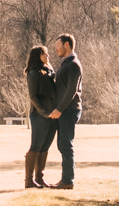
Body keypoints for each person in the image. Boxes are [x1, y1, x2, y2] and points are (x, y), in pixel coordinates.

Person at [47, 33, 83, 190]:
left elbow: (71, 91)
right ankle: (66, 179)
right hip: (64, 110)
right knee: (62, 145)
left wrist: (59, 110)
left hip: (68, 110)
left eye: (58, 45)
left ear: (67, 45)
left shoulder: (74, 64)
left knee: (66, 145)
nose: (55, 49)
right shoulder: (65, 64)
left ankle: (68, 181)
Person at [23, 45, 57, 188]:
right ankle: (29, 181)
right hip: (40, 116)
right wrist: (45, 113)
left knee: (45, 147)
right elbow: (33, 97)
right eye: (45, 54)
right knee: (36, 146)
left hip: (53, 115)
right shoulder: (33, 74)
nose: (48, 56)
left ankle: (39, 178)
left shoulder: (49, 71)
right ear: (38, 56)